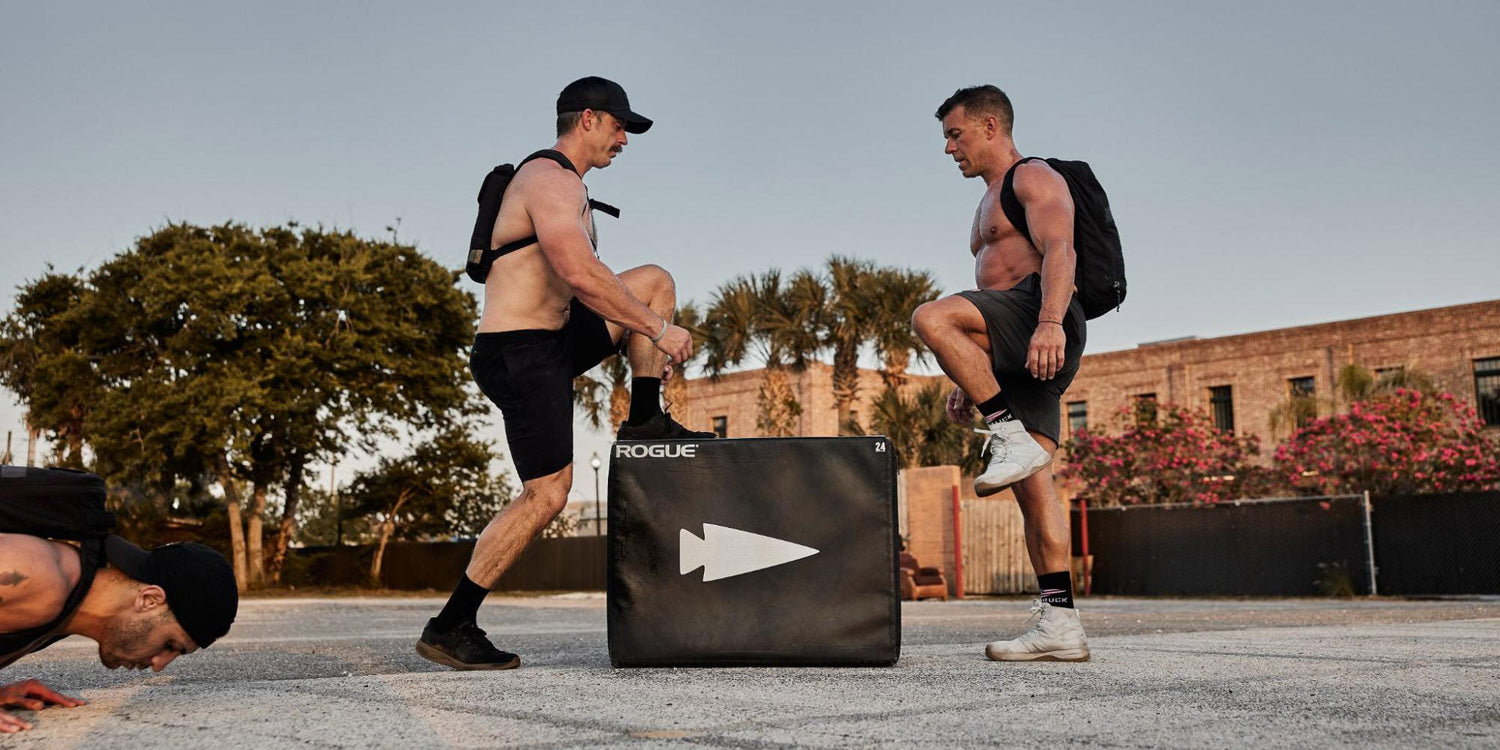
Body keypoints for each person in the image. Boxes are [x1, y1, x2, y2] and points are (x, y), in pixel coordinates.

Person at [417, 76, 715, 671]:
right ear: (587, 119)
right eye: (619, 125)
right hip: (519, 351)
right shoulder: (548, 179)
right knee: (548, 494)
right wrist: (658, 330)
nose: (625, 139)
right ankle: (451, 624)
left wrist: (648, 317)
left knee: (653, 281)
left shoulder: (570, 186)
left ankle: (646, 418)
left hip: (554, 338)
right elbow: (579, 273)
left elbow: (593, 287)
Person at [911, 85, 1090, 662]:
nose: (948, 148)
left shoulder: (1032, 178)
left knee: (930, 316)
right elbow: (988, 295)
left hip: (1038, 315)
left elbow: (1061, 249)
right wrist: (971, 381)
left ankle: (1005, 431)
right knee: (1035, 487)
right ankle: (1060, 623)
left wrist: (1050, 324)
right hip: (1011, 332)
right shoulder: (984, 202)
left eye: (954, 134)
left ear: (990, 127)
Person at [0, 533, 238, 733]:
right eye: (170, 645)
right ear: (149, 600)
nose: (159, 665)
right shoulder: (40, 576)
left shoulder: (61, 610)